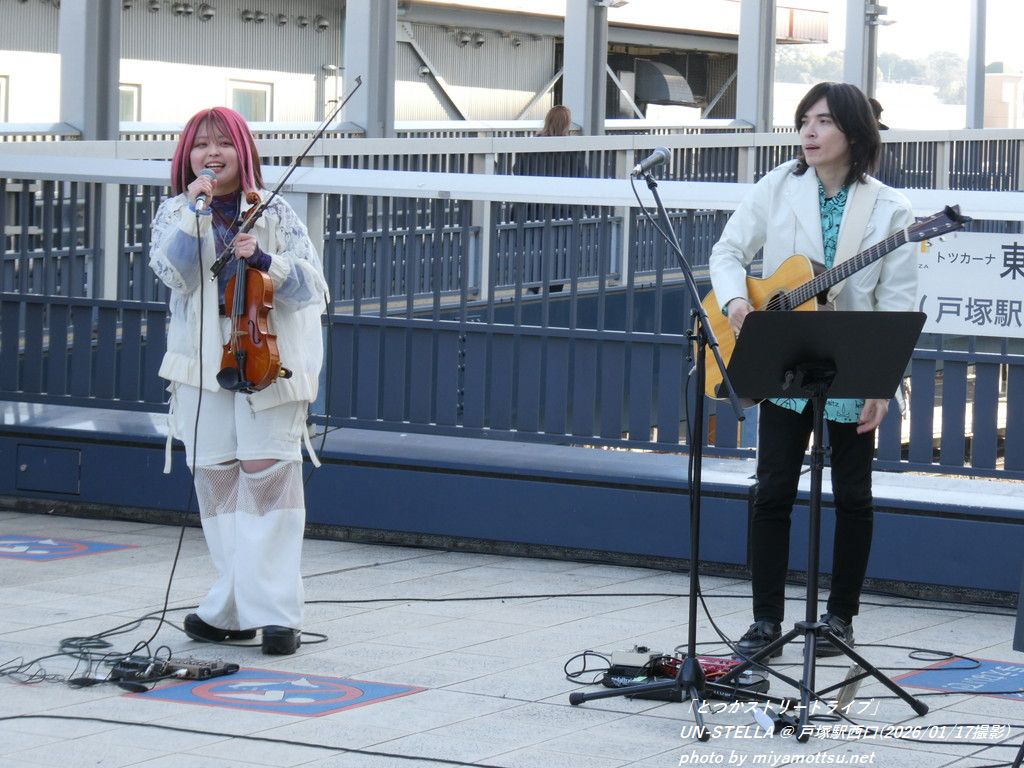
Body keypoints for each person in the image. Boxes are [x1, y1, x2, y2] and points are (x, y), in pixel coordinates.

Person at [708, 82, 916, 659]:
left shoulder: (890, 208)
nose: (809, 131)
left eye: (823, 121)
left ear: (854, 132)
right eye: (804, 120)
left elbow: (897, 303)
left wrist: (883, 383)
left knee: (853, 496)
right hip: (784, 357)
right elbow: (728, 252)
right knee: (773, 489)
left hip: (854, 361)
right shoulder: (778, 185)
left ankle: (839, 619)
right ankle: (765, 623)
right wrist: (737, 302)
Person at [149, 107, 328, 655]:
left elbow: (312, 289)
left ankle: (276, 616)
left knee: (268, 480)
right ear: (187, 157)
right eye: (201, 145)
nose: (212, 153)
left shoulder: (274, 211)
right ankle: (230, 609)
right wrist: (194, 215)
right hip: (202, 365)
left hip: (265, 357)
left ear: (242, 151)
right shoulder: (176, 211)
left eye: (223, 143)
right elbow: (173, 274)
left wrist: (266, 260)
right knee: (218, 481)